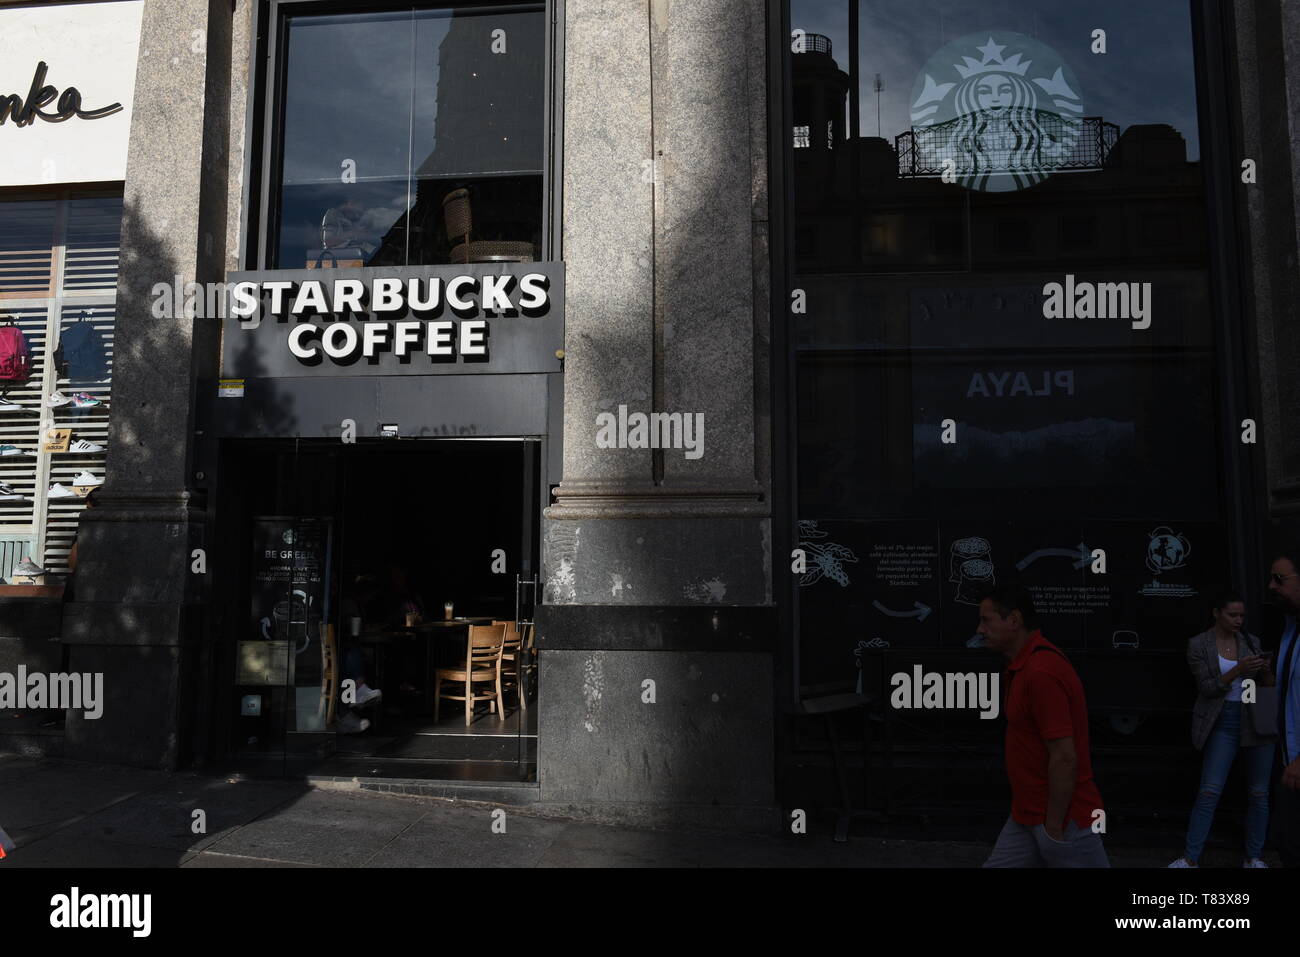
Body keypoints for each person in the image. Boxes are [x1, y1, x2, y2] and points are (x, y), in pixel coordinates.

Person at [978, 583, 1109, 867]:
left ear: (1014, 621)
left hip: (1065, 820)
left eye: (986, 620)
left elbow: (1064, 757)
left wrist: (1052, 827)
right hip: (1028, 814)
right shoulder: (1023, 667)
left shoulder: (1041, 672)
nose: (980, 630)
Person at [1168, 591, 1275, 868]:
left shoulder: (1250, 642)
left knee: (1259, 793)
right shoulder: (1199, 645)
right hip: (1222, 720)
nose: (1239, 620)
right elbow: (1207, 687)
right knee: (1210, 790)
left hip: (1253, 718)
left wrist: (1265, 669)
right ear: (1217, 613)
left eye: (1242, 615)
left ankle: (1254, 857)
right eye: (1233, 615)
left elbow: (1267, 686)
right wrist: (1239, 668)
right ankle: (1190, 858)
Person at [1269, 549, 1300, 867]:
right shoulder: (1290, 629)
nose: (1272, 586)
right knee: (1287, 845)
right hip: (1286, 761)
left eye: (1280, 579)